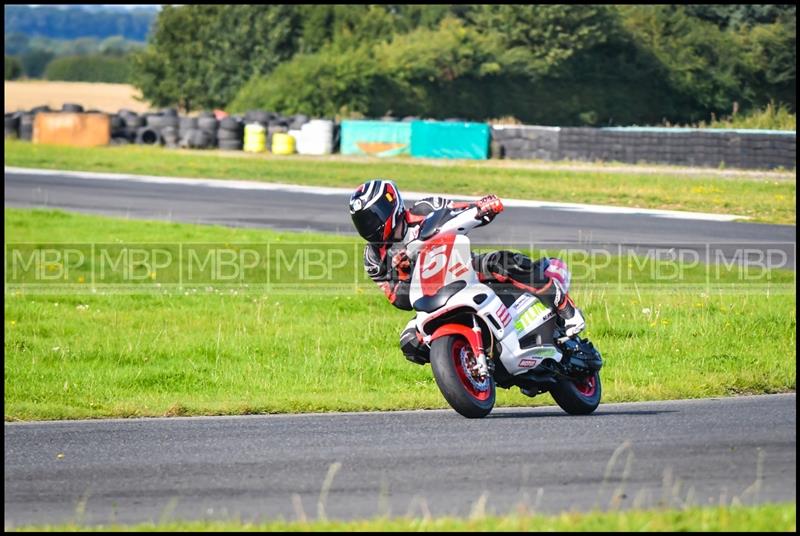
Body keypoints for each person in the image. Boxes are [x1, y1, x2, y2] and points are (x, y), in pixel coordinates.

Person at [349, 179, 585, 365]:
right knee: (409, 343)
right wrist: (403, 273)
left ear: (390, 205)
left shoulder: (425, 208)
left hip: (462, 267)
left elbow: (458, 211)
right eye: (363, 221)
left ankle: (564, 307)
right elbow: (397, 299)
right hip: (429, 297)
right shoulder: (373, 258)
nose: (370, 226)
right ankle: (462, 361)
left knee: (504, 262)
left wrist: (482, 207)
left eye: (373, 217)